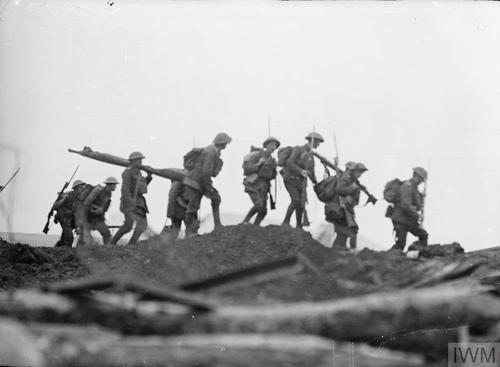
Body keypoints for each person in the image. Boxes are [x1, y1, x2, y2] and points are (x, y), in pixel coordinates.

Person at [182, 132, 231, 237]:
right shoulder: (210, 151)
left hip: (200, 181)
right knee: (193, 206)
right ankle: (190, 233)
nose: (227, 145)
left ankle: (217, 225)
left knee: (216, 198)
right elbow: (206, 171)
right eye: (226, 142)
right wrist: (209, 187)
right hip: (195, 181)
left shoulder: (214, 151)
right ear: (222, 143)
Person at [108, 152, 152, 245]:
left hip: (139, 202)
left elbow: (142, 187)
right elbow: (125, 189)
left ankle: (131, 244)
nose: (141, 162)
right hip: (129, 202)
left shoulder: (138, 173)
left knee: (142, 225)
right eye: (139, 160)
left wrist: (149, 176)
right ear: (134, 161)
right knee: (128, 226)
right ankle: (112, 243)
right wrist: (130, 203)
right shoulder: (127, 172)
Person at [281, 132, 323, 228]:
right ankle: (285, 222)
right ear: (312, 141)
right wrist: (301, 171)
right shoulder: (298, 149)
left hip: (301, 182)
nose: (318, 144)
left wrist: (316, 182)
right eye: (317, 142)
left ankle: (299, 225)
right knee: (296, 200)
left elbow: (311, 172)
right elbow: (289, 162)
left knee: (301, 203)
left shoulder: (311, 156)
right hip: (290, 179)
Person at [387, 167, 429, 251]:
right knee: (400, 244)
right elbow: (405, 205)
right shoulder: (407, 186)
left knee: (423, 235)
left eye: (422, 180)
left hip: (409, 220)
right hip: (400, 220)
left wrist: (421, 197)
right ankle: (387, 259)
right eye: (420, 179)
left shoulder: (414, 188)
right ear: (415, 176)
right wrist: (418, 214)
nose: (420, 182)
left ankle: (419, 254)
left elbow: (417, 205)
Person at [241, 137, 280, 225]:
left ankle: (255, 227)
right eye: (271, 144)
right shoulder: (257, 155)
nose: (273, 147)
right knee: (259, 205)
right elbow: (246, 169)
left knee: (263, 211)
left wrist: (273, 169)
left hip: (264, 187)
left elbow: (273, 176)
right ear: (266, 145)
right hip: (253, 184)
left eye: (275, 145)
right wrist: (259, 164)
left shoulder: (272, 160)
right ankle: (245, 222)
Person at [329, 162, 368, 250]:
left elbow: (355, 200)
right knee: (352, 230)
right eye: (359, 172)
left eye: (361, 173)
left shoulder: (354, 181)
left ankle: (336, 252)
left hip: (347, 210)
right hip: (341, 209)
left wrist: (352, 200)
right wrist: (352, 188)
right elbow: (339, 189)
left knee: (343, 234)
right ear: (354, 171)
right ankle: (352, 250)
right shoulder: (346, 178)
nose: (360, 175)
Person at [77, 177, 119, 246]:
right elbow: (85, 205)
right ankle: (76, 252)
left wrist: (100, 212)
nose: (115, 186)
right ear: (109, 184)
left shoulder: (108, 193)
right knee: (84, 239)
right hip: (88, 219)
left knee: (106, 233)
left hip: (98, 219)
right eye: (114, 184)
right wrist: (82, 220)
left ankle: (108, 251)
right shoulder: (98, 191)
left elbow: (103, 207)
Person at [51, 180, 86, 247]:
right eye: (81, 188)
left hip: (72, 219)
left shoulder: (81, 199)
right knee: (69, 237)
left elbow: (77, 214)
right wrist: (63, 200)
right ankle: (68, 252)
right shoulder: (67, 195)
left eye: (83, 188)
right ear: (75, 188)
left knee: (64, 239)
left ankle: (57, 248)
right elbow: (54, 206)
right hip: (63, 217)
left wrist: (77, 227)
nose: (82, 189)